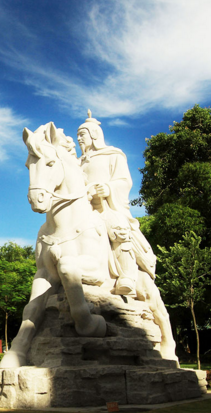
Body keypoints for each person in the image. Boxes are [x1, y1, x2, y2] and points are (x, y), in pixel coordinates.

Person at [77, 110, 157, 296]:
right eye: (78, 136)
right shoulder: (77, 161)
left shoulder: (113, 155)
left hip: (106, 206)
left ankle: (127, 276)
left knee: (119, 229)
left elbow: (124, 181)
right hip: (83, 208)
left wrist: (108, 188)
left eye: (82, 134)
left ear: (94, 134)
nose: (79, 139)